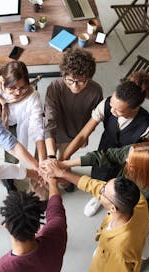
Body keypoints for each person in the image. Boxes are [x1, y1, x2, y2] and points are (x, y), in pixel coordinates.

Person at [40, 160, 149, 272]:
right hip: (109, 266)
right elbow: (94, 186)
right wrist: (63, 174)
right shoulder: (137, 201)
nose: (100, 190)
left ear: (112, 208)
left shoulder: (120, 248)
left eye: (103, 192)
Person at [57, 141, 149, 270]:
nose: (125, 158)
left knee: (137, 241)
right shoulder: (133, 153)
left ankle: (146, 256)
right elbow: (105, 157)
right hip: (125, 209)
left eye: (129, 160)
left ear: (138, 169)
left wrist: (136, 234)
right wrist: (63, 166)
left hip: (142, 219)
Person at [62, 70, 149, 215]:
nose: (112, 111)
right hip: (105, 147)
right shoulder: (106, 104)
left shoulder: (148, 126)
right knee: (99, 173)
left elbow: (140, 154)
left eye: (118, 110)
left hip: (126, 160)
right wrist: (63, 159)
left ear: (135, 108)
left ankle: (110, 200)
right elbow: (82, 135)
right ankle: (98, 196)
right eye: (111, 105)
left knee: (118, 185)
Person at [0, 61, 46, 191]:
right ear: (2, 80)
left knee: (13, 157)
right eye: (12, 88)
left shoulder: (32, 96)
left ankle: (8, 176)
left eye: (22, 87)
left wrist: (41, 161)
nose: (18, 93)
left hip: (13, 126)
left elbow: (37, 126)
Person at [43, 48, 103, 192]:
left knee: (64, 164)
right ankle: (42, 191)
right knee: (45, 166)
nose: (75, 85)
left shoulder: (96, 91)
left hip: (74, 136)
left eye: (81, 81)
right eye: (70, 80)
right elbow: (49, 122)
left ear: (89, 77)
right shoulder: (54, 88)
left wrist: (85, 136)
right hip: (51, 136)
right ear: (63, 75)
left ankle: (65, 182)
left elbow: (92, 120)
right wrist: (51, 156)